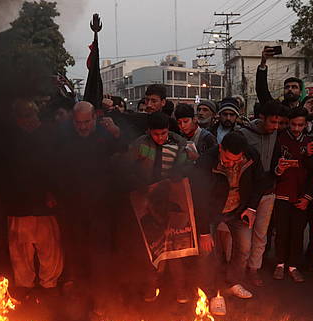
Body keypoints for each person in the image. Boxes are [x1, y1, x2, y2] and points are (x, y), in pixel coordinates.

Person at [123, 111, 195, 303]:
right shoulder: (141, 145)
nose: (160, 138)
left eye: (163, 133)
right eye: (156, 134)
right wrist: (137, 182)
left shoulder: (179, 143)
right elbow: (126, 166)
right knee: (153, 248)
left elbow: (192, 161)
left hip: (172, 201)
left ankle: (180, 289)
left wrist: (181, 171)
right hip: (148, 201)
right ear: (149, 132)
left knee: (175, 248)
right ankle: (151, 287)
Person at [55, 102, 121, 308]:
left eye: (86, 122)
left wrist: (117, 134)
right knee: (75, 250)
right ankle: (78, 297)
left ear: (94, 119)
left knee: (99, 254)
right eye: (78, 123)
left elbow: (126, 152)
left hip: (101, 207)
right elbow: (56, 168)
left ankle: (100, 296)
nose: (82, 127)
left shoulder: (106, 135)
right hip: (73, 207)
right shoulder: (64, 139)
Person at [194, 131, 265, 299]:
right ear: (220, 149)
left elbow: (260, 182)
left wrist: (251, 208)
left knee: (244, 247)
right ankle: (207, 290)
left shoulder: (251, 156)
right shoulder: (205, 162)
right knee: (206, 252)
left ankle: (234, 282)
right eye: (227, 159)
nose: (231, 164)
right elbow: (199, 198)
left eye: (236, 160)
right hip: (212, 211)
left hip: (238, 209)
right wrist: (204, 231)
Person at [4, 99, 63, 295]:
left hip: (44, 207)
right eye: (24, 117)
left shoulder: (49, 135)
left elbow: (57, 167)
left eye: (32, 116)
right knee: (20, 254)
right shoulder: (9, 140)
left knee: (50, 253)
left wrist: (53, 191)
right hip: (18, 207)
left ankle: (49, 289)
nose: (29, 121)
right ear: (17, 120)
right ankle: (25, 291)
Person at [271, 107, 313, 282]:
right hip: (282, 193)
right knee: (282, 231)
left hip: (302, 195)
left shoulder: (311, 142)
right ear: (288, 122)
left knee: (298, 231)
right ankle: (280, 264)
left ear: (306, 124)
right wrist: (279, 169)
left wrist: (308, 197)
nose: (296, 128)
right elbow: (272, 169)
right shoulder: (279, 139)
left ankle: (293, 266)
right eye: (293, 124)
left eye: (300, 125)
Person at [240, 100, 287, 286]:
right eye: (272, 122)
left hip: (268, 192)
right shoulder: (244, 134)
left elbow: (274, 164)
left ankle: (253, 269)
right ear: (261, 117)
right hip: (247, 193)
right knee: (244, 235)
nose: (275, 127)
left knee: (261, 234)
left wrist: (278, 170)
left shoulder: (276, 135)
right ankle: (239, 268)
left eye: (278, 123)